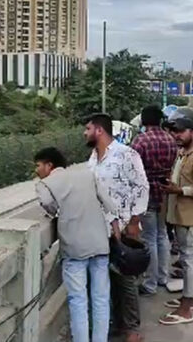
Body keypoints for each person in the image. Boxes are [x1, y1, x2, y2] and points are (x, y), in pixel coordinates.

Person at [34, 147, 119, 342]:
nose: (37, 170)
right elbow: (109, 203)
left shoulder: (45, 184)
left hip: (74, 249)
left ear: (49, 165)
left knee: (78, 301)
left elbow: (49, 206)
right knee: (101, 299)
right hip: (99, 244)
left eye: (38, 165)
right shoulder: (87, 175)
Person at [85, 113, 149, 342]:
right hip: (99, 228)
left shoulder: (126, 154)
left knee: (126, 278)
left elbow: (142, 186)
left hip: (122, 226)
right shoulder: (92, 159)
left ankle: (132, 328)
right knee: (107, 279)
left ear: (99, 130)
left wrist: (134, 222)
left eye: (88, 128)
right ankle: (115, 324)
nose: (85, 133)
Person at [159, 117, 193, 325]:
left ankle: (187, 308)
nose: (176, 136)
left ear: (192, 131)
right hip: (180, 214)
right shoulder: (183, 154)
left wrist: (180, 190)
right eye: (174, 132)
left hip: (191, 217)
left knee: (189, 259)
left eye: (180, 132)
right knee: (185, 258)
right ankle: (186, 300)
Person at [130, 106, 178, 296]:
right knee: (162, 235)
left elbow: (132, 169)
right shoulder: (170, 140)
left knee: (149, 238)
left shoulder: (140, 141)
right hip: (165, 191)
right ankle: (162, 277)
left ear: (143, 120)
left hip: (146, 194)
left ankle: (149, 284)